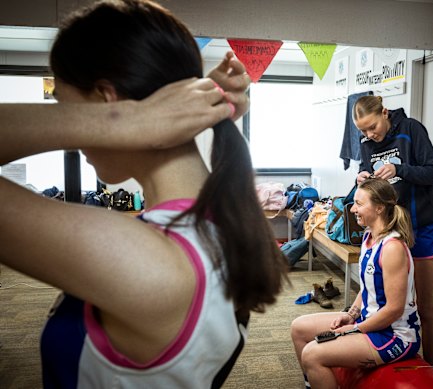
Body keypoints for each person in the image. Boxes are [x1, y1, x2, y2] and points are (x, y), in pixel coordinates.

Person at [0, 1, 289, 388]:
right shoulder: (215, 224)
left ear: (106, 100)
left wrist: (121, 121)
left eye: (69, 110)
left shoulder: (145, 258)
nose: (77, 139)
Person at [290, 178, 420, 389]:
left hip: (395, 336)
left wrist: (354, 329)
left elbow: (394, 310)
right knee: (299, 329)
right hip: (370, 320)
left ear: (379, 208)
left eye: (359, 204)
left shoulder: (392, 248)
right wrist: (349, 315)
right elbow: (367, 288)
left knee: (313, 354)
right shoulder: (369, 236)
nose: (352, 210)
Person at [353, 95, 433, 365]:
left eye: (372, 127)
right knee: (390, 303)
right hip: (394, 230)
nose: (370, 134)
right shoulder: (366, 143)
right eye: (363, 131)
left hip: (426, 226)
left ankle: (430, 371)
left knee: (426, 307)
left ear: (385, 113)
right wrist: (360, 177)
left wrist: (399, 169)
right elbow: (366, 176)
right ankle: (401, 359)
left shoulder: (411, 129)